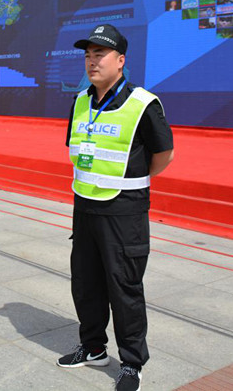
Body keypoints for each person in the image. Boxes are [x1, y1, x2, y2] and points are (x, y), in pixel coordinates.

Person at [58, 24, 174, 391]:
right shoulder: (80, 101)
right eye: (87, 55)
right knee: (86, 283)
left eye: (100, 55)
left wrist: (130, 180)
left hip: (124, 209)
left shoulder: (143, 104)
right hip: (85, 206)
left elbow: (163, 155)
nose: (92, 62)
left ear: (120, 60)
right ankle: (93, 347)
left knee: (124, 287)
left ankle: (132, 363)